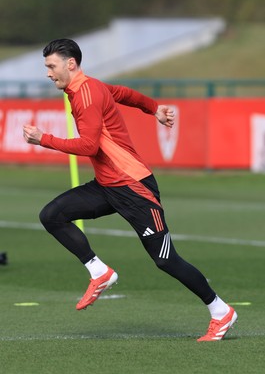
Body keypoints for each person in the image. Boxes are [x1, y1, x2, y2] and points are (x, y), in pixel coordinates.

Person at [23, 38, 237, 342]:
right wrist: (154, 109)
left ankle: (221, 311)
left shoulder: (85, 95)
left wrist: (43, 139)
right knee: (52, 215)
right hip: (108, 185)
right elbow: (123, 93)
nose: (48, 72)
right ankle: (99, 272)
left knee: (166, 260)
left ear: (70, 64)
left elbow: (88, 145)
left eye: (51, 66)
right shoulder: (88, 87)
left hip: (135, 188)